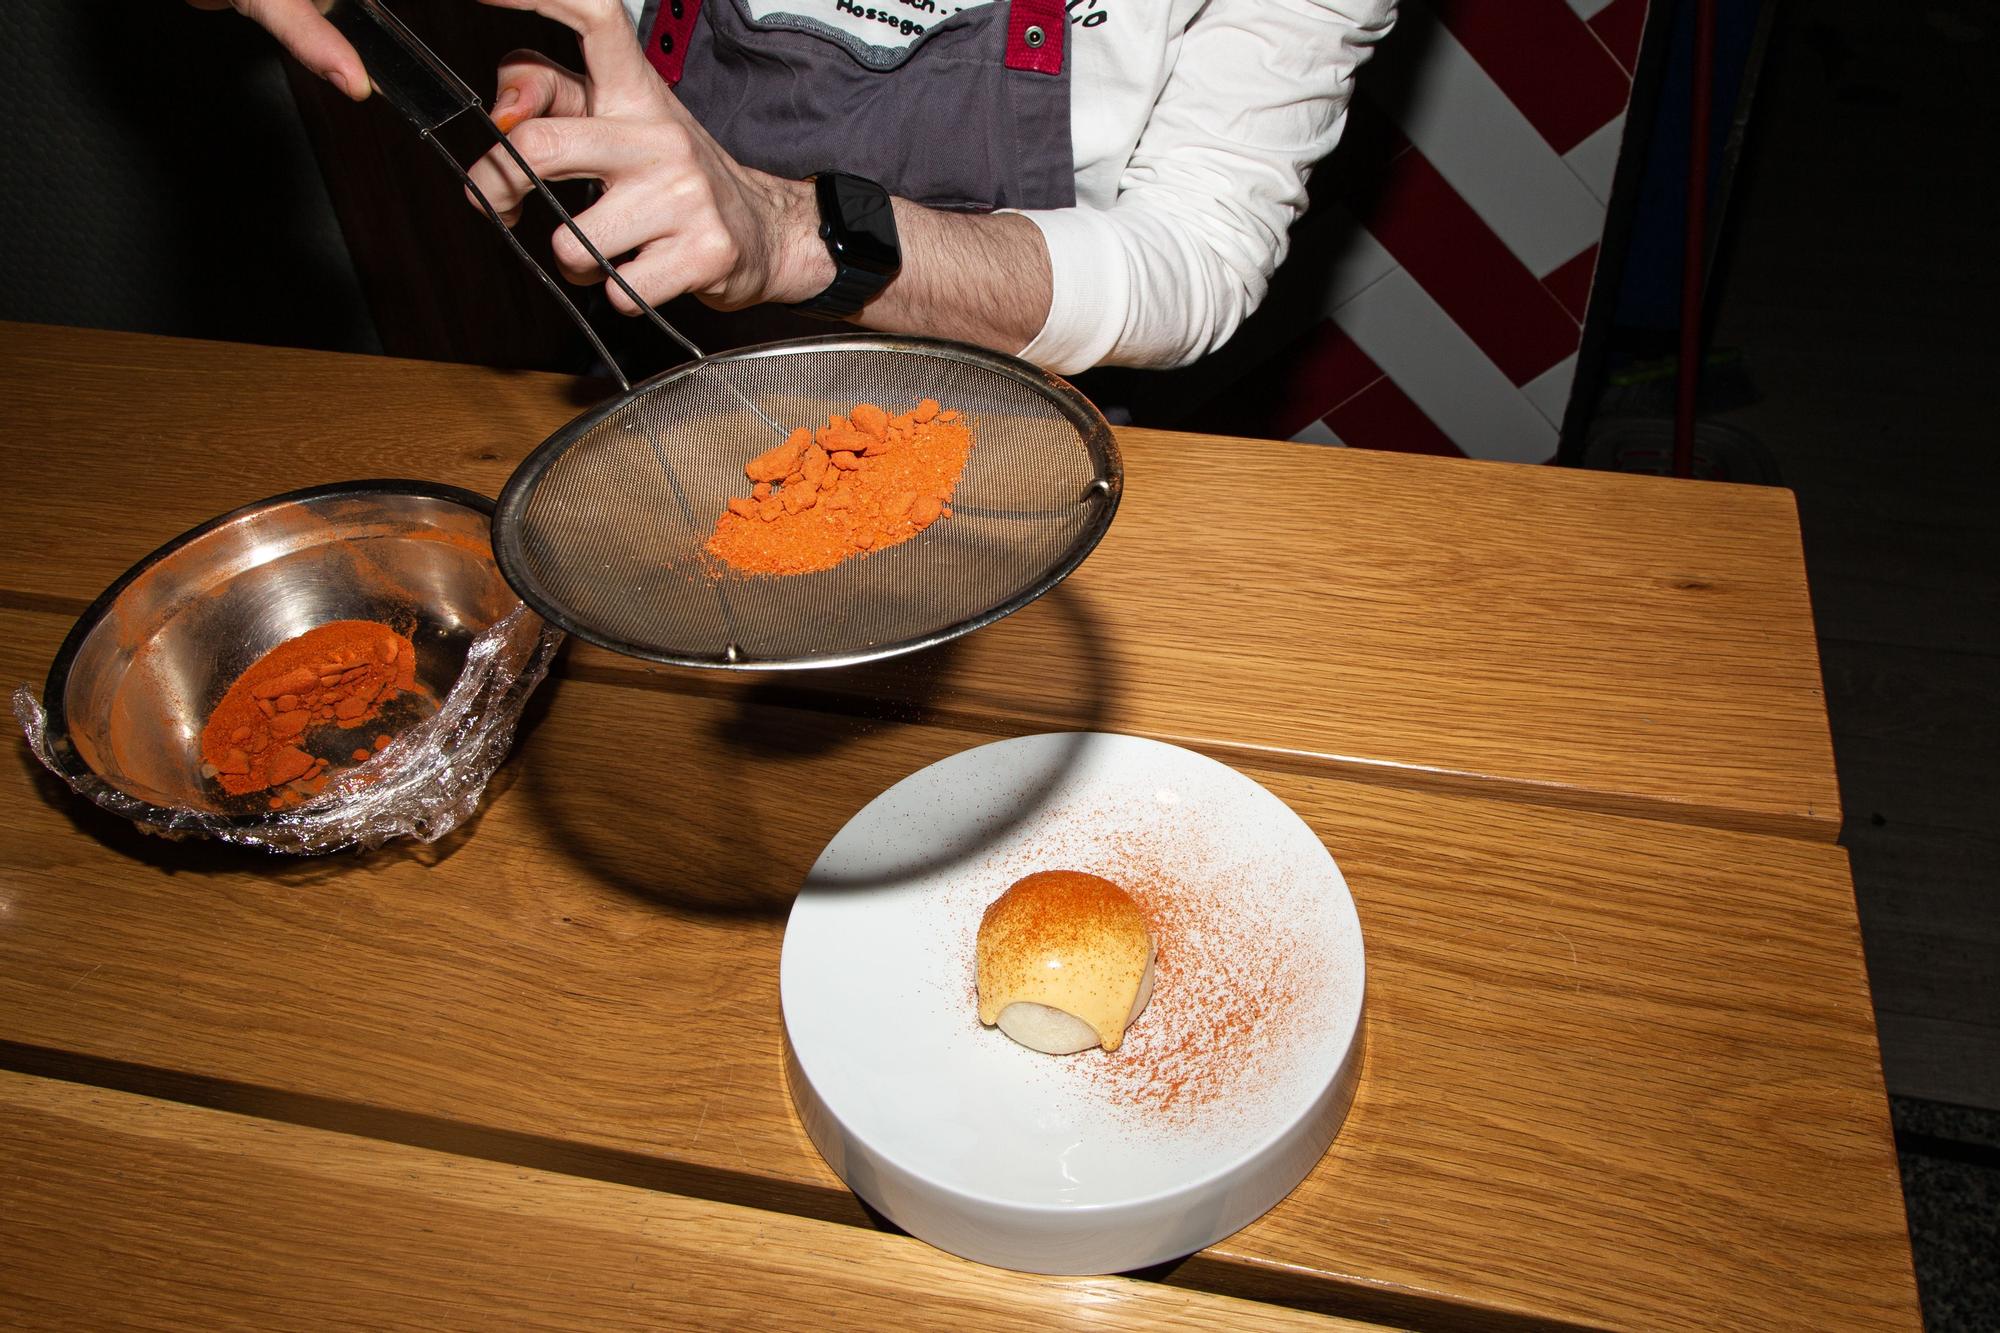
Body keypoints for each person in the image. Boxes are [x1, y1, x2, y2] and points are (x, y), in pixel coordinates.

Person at [191, 0, 1395, 374]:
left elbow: (1195, 258)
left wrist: (792, 231)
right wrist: (590, 86)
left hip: (1026, 419)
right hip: (657, 366)